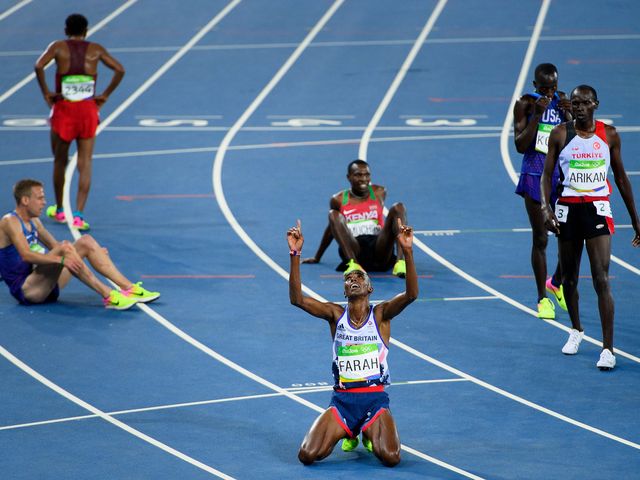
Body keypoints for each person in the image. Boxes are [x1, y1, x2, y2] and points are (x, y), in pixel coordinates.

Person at [288, 218, 417, 466]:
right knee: (307, 454)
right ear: (345, 291)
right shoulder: (336, 315)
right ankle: (350, 430)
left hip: (374, 399)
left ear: (370, 288)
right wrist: (295, 253)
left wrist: (407, 251)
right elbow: (297, 300)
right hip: (343, 401)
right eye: (348, 279)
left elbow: (411, 295)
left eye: (359, 276)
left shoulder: (381, 316)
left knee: (391, 458)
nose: (352, 279)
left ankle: (367, 430)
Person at [541, 85, 640, 370]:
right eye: (575, 103)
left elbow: (621, 178)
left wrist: (635, 218)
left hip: (598, 208)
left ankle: (608, 349)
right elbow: (546, 176)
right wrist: (547, 209)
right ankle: (576, 330)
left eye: (584, 102)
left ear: (595, 104)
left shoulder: (609, 135)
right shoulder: (560, 134)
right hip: (568, 210)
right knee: (569, 279)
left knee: (601, 279)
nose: (579, 107)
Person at [0, 179, 160, 310]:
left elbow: (56, 246)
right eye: (40, 198)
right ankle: (109, 296)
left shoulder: (34, 221)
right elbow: (26, 255)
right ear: (25, 200)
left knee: (86, 242)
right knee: (65, 248)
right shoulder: (10, 222)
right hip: (28, 290)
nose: (44, 202)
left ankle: (130, 288)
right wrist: (62, 260)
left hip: (47, 285)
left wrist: (92, 253)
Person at [34, 13, 125, 231]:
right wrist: (104, 95)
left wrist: (47, 92)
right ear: (86, 31)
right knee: (85, 163)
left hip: (64, 110)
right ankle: (78, 215)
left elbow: (38, 66)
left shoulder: (58, 47)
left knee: (60, 160)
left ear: (66, 30)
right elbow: (120, 69)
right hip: (87, 110)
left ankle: (59, 210)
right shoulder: (96, 50)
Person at [514, 63, 572, 320]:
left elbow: (575, 140)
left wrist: (569, 117)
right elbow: (519, 145)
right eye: (545, 88)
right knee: (541, 238)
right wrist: (537, 115)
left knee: (571, 236)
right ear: (535, 86)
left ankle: (556, 281)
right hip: (534, 177)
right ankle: (542, 299)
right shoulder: (526, 103)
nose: (550, 93)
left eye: (553, 88)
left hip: (561, 178)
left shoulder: (565, 103)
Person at [302, 159, 408, 277]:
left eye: (367, 175)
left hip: (379, 247)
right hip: (354, 248)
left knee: (398, 207)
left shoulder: (379, 192)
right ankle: (353, 264)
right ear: (349, 177)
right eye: (358, 175)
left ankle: (401, 262)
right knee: (333, 214)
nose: (363, 179)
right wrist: (317, 256)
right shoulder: (338, 199)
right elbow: (332, 227)